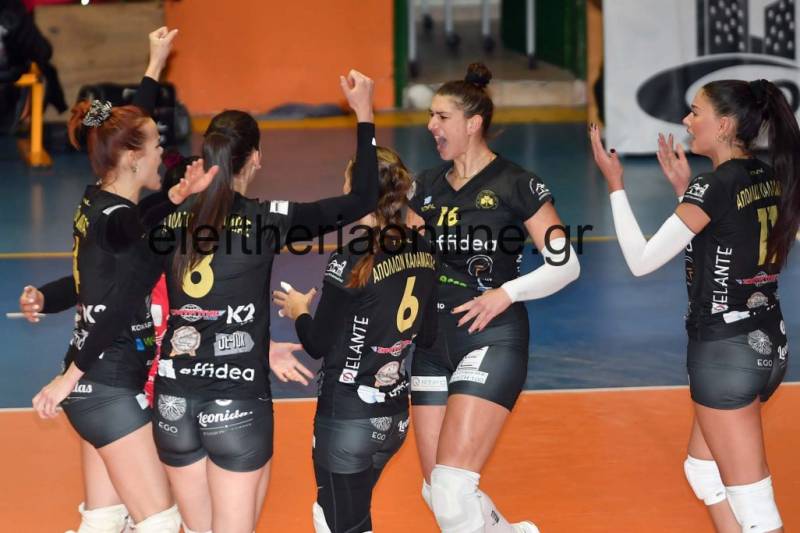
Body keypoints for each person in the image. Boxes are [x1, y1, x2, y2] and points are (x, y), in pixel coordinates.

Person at [68, 70, 379, 533]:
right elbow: (364, 197)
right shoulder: (268, 220)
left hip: (174, 407)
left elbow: (119, 297)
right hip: (238, 404)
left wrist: (71, 373)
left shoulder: (169, 219)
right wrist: (364, 113)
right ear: (255, 158)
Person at [26, 26, 218, 533]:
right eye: (157, 147)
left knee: (105, 519)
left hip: (97, 384)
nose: (163, 154)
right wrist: (174, 202)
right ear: (133, 156)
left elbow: (131, 131)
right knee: (160, 522)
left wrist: (154, 63)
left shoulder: (98, 196)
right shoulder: (119, 221)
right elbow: (123, 277)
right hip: (104, 385)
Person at [589, 78, 799, 533]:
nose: (686, 121)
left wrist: (615, 185)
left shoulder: (715, 186)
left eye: (695, 112)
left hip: (726, 355)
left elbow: (641, 261)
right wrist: (685, 193)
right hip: (767, 343)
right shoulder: (766, 176)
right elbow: (726, 237)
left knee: (758, 512)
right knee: (702, 469)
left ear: (723, 125)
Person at [406, 63, 580, 533]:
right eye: (431, 116)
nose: (431, 126)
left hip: (490, 338)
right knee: (437, 490)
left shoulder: (515, 183)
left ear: (473, 123)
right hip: (430, 345)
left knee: (451, 489)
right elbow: (401, 261)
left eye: (442, 116)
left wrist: (506, 293)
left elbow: (567, 264)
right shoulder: (426, 186)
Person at [273, 146, 438, 533]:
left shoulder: (351, 258)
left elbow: (317, 343)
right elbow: (428, 334)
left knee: (342, 522)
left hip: (347, 421)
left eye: (348, 184)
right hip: (393, 419)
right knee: (332, 516)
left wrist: (298, 310)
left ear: (358, 191)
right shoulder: (426, 249)